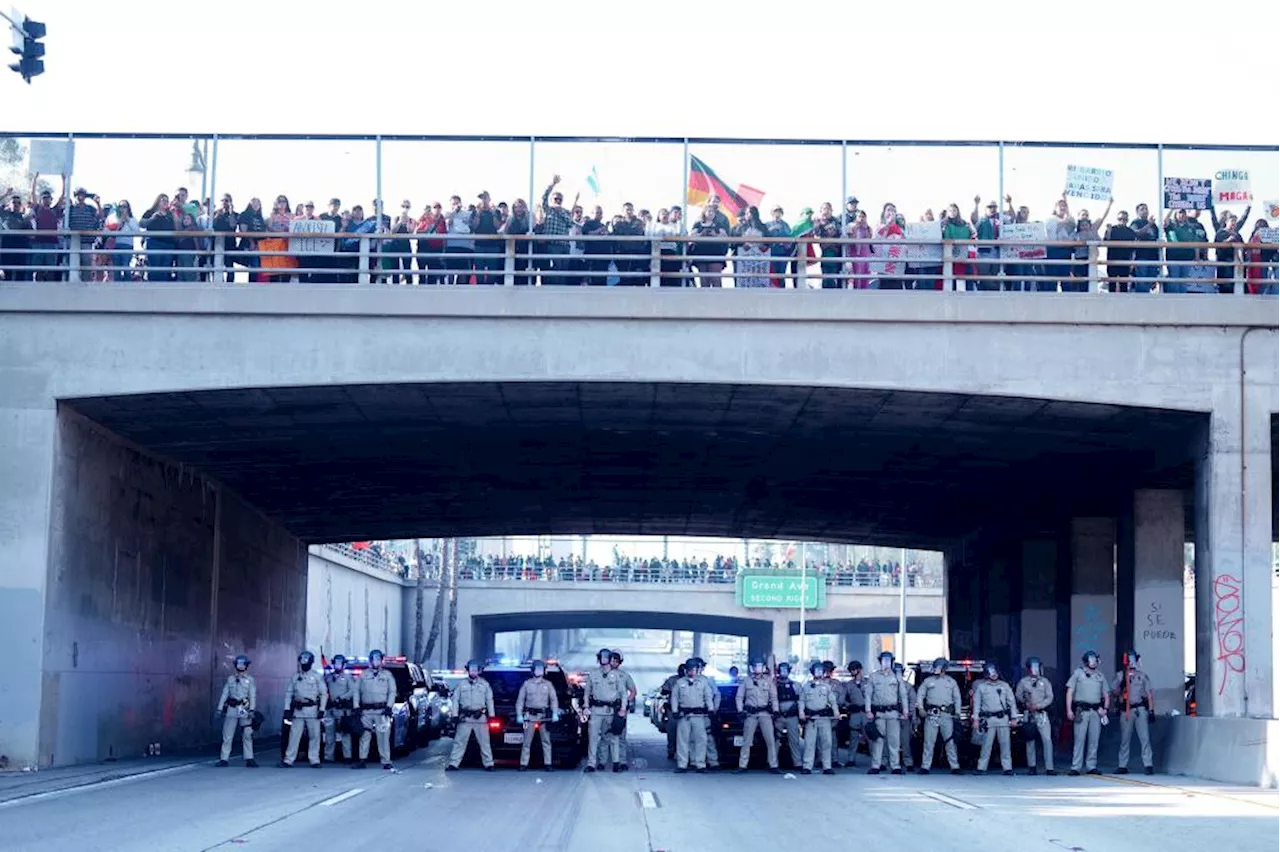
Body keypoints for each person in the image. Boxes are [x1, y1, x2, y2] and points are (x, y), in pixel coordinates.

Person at [582, 648, 628, 772]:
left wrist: (623, 709)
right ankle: (592, 763)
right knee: (593, 738)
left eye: (606, 657)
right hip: (596, 710)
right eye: (601, 657)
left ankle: (615, 763)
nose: (603, 660)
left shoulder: (616, 675)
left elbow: (623, 694)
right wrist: (586, 707)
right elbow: (587, 693)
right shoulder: (593, 674)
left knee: (612, 737)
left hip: (611, 711)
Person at [279, 650, 327, 768]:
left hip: (313, 711)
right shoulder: (295, 677)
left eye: (306, 661)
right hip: (298, 711)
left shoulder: (316, 676)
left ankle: (314, 760)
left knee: (314, 736)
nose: (304, 663)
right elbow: (289, 693)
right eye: (302, 661)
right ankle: (288, 760)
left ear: (311, 662)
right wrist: (287, 709)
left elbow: (323, 694)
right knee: (294, 736)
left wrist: (322, 709)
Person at [1065, 650, 1110, 775]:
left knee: (1094, 739)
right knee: (1079, 739)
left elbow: (1106, 694)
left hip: (1095, 711)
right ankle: (1076, 766)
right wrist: (1069, 710)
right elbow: (1069, 692)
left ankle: (1091, 766)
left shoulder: (1100, 676)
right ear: (1086, 661)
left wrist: (1105, 709)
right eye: (1091, 659)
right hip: (1082, 710)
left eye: (1095, 659)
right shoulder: (1078, 674)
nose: (1094, 661)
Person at [447, 659, 496, 771]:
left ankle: (489, 764)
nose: (473, 672)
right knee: (459, 742)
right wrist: (454, 715)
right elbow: (455, 700)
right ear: (468, 670)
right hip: (466, 718)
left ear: (479, 671)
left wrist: (491, 715)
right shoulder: (461, 685)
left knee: (484, 742)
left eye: (476, 670)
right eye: (471, 669)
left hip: (480, 717)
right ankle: (454, 763)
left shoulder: (485, 685)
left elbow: (489, 700)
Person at [916, 657, 962, 775]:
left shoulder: (951, 682)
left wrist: (957, 712)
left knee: (950, 741)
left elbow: (957, 698)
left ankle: (954, 766)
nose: (937, 670)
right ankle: (925, 766)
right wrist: (921, 708)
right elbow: (920, 695)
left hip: (947, 715)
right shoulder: (928, 681)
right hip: (932, 715)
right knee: (929, 741)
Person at [865, 651, 908, 774]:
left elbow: (903, 694)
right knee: (878, 740)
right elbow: (868, 694)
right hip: (878, 713)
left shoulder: (896, 677)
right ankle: (876, 766)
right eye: (884, 661)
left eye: (888, 661)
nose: (886, 663)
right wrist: (868, 710)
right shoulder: (874, 676)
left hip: (893, 713)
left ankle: (895, 766)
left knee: (894, 740)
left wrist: (905, 711)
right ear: (880, 662)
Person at [1112, 650, 1155, 775]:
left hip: (1140, 709)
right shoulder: (1120, 675)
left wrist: (1151, 710)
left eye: (1133, 659)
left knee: (1145, 738)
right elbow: (1114, 692)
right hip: (1126, 710)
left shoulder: (1142, 676)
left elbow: (1149, 694)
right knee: (1125, 739)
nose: (1132, 662)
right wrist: (1122, 683)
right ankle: (1122, 765)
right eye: (1129, 660)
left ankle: (1148, 764)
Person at [671, 656, 716, 773]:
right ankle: (682, 764)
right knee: (683, 740)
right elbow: (674, 698)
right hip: (684, 716)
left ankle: (700, 764)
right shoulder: (680, 683)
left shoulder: (703, 682)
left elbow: (708, 696)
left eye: (693, 669)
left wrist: (711, 709)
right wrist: (675, 711)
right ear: (686, 670)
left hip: (699, 715)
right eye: (689, 669)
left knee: (701, 740)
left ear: (697, 669)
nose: (691, 671)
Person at [971, 662, 1017, 775]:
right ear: (986, 674)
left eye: (995, 672)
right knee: (986, 745)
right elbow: (977, 704)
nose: (994, 675)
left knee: (1005, 744)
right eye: (991, 673)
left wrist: (1014, 718)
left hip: (1003, 719)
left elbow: (1012, 702)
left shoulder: (1004, 686)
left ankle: (1007, 768)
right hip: (988, 720)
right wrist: (976, 719)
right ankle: (981, 768)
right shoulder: (982, 687)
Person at [735, 657, 780, 773]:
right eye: (756, 666)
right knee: (747, 741)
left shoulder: (769, 680)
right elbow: (739, 697)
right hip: (751, 714)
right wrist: (740, 710)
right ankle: (742, 765)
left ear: (764, 668)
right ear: (752, 668)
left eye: (760, 666)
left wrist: (776, 710)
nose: (758, 668)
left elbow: (774, 697)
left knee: (770, 740)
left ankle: (773, 765)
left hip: (765, 713)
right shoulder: (746, 681)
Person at [516, 659, 561, 771]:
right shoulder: (527, 684)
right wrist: (519, 715)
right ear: (533, 671)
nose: (539, 671)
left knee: (546, 741)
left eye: (541, 669)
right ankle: (523, 764)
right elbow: (520, 700)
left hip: (543, 716)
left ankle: (548, 763)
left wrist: (555, 713)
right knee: (527, 741)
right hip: (529, 716)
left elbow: (553, 699)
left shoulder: (548, 684)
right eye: (538, 669)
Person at [356, 649, 397, 770]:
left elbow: (392, 692)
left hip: (381, 711)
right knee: (365, 735)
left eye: (378, 659)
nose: (376, 661)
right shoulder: (364, 675)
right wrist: (356, 706)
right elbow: (356, 691)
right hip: (366, 711)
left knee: (383, 736)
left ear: (382, 661)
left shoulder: (387, 675)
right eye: (374, 659)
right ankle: (362, 759)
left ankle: (386, 760)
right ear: (370, 660)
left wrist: (389, 707)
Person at [1015, 656, 1055, 775]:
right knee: (1030, 740)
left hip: (1042, 714)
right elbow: (1018, 695)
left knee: (1047, 740)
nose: (1036, 669)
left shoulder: (1045, 681)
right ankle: (1032, 766)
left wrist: (1039, 705)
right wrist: (1026, 703)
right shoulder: (1023, 682)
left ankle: (1050, 767)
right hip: (1029, 714)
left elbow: (1050, 697)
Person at [215, 654, 258, 767]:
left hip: (244, 708)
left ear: (246, 666)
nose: (240, 666)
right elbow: (224, 694)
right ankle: (224, 759)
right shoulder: (231, 679)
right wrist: (219, 709)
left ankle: (249, 758)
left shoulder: (250, 680)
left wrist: (252, 710)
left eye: (243, 664)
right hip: (232, 708)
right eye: (239, 664)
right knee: (227, 734)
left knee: (247, 734)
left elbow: (252, 695)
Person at [798, 660, 840, 774]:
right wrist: (801, 712)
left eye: (821, 671)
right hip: (811, 719)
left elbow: (833, 701)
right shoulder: (807, 687)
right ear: (812, 672)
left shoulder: (827, 687)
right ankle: (807, 766)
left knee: (827, 742)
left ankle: (827, 766)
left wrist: (836, 713)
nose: (819, 673)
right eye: (817, 671)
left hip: (824, 718)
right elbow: (801, 700)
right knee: (810, 743)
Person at [1067, 198, 1112, 292]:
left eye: (1086, 215)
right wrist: (1065, 198)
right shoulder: (1075, 231)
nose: (1085, 216)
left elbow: (1102, 217)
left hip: (1091, 259)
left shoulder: (1093, 229)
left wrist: (1109, 204)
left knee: (1090, 281)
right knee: (1079, 283)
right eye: (1083, 214)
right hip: (1079, 259)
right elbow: (1069, 213)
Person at [324, 654, 357, 764]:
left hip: (342, 709)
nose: (337, 665)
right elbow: (324, 690)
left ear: (343, 665)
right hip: (330, 709)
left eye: (340, 663)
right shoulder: (328, 677)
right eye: (336, 663)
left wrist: (342, 698)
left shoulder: (348, 678)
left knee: (345, 733)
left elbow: (352, 691)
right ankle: (329, 756)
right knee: (329, 734)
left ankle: (347, 756)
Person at [608, 651, 637, 769]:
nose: (613, 663)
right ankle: (605, 761)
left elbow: (633, 691)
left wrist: (624, 702)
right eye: (612, 660)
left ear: (620, 662)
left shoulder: (624, 676)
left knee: (621, 736)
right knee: (606, 737)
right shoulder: (602, 674)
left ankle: (622, 761)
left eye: (616, 660)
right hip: (605, 709)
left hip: (620, 709)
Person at [733, 207, 771, 288]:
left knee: (758, 280)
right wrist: (743, 245)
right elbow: (733, 243)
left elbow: (769, 242)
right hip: (744, 257)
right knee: (742, 281)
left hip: (759, 257)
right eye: (746, 213)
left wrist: (762, 245)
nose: (747, 215)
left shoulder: (763, 227)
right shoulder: (741, 227)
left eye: (749, 213)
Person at [774, 661, 803, 768]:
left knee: (794, 740)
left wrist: (800, 713)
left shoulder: (795, 685)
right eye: (781, 670)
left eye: (785, 670)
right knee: (775, 740)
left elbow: (801, 700)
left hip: (792, 716)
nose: (783, 672)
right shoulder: (774, 684)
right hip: (779, 716)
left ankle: (797, 763)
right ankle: (773, 763)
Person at [689, 206, 727, 287]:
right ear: (704, 213)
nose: (710, 213)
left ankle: (717, 298)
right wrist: (701, 234)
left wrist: (715, 235)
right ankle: (704, 298)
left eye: (712, 212)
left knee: (716, 279)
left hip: (715, 254)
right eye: (708, 211)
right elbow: (692, 237)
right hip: (701, 253)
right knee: (703, 280)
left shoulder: (719, 225)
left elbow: (725, 237)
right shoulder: (698, 224)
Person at [970, 196, 1002, 290]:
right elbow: (973, 218)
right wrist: (976, 204)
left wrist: (1009, 204)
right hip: (983, 254)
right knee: (985, 279)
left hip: (997, 255)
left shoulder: (1001, 220)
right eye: (990, 207)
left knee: (996, 279)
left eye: (994, 207)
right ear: (985, 209)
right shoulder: (981, 220)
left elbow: (1012, 218)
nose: (992, 209)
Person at [1104, 210, 1138, 292]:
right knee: (1111, 285)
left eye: (1124, 219)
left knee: (1124, 286)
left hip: (1125, 262)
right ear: (1117, 219)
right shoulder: (1112, 229)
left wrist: (1132, 263)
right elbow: (1105, 242)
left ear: (1127, 220)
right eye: (1120, 219)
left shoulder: (1131, 232)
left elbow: (1134, 249)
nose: (1122, 220)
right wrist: (1108, 231)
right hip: (1112, 261)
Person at [1130, 203, 1161, 293]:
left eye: (1146, 209)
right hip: (1141, 256)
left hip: (1153, 257)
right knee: (1141, 282)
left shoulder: (1154, 226)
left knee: (1150, 282)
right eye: (1142, 209)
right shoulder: (1135, 222)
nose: (1145, 211)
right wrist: (1149, 225)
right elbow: (1136, 233)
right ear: (1137, 212)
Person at [661, 663, 687, 760]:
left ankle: (683, 754)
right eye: (680, 670)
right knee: (672, 733)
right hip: (672, 710)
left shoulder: (690, 681)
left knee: (684, 735)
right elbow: (663, 691)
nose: (682, 672)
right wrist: (672, 691)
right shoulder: (672, 680)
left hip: (685, 711)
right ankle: (671, 751)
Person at [894, 662, 917, 769]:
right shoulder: (888, 686)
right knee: (887, 741)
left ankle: (908, 762)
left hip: (904, 716)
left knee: (905, 741)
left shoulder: (908, 687)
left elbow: (913, 702)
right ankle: (884, 762)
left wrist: (910, 714)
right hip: (890, 715)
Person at [813, 202, 842, 288]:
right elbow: (816, 234)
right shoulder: (818, 221)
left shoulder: (836, 221)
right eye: (824, 209)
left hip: (835, 250)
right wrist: (816, 225)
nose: (826, 211)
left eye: (828, 209)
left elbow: (840, 233)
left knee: (834, 275)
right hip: (824, 251)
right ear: (821, 210)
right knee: (825, 274)